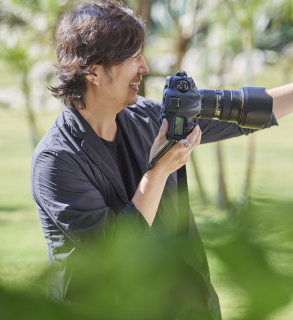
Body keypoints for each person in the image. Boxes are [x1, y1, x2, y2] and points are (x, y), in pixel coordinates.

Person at [31, 0, 293, 318]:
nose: (145, 67)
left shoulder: (148, 116)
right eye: (132, 57)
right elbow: (117, 250)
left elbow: (239, 113)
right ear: (94, 72)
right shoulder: (56, 161)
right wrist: (158, 170)